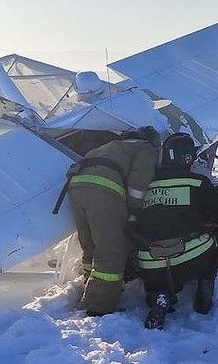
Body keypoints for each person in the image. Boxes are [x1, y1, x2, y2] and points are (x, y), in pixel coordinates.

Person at [133, 132, 218, 330]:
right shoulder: (197, 183)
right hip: (190, 260)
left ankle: (159, 295)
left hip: (151, 263)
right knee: (213, 245)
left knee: (157, 276)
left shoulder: (146, 187)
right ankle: (204, 295)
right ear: (189, 158)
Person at [65, 126, 161, 317]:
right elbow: (139, 183)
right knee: (112, 251)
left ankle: (88, 289)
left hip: (75, 188)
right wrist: (134, 213)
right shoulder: (145, 148)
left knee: (91, 247)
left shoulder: (110, 146)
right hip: (104, 191)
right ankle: (97, 307)